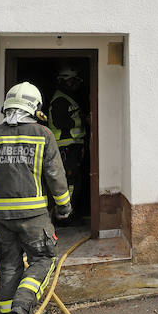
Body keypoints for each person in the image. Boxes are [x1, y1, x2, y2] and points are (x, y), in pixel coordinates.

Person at [0, 82, 72, 314]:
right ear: (35, 107)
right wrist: (64, 206)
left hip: (0, 218)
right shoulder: (43, 134)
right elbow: (55, 174)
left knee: (9, 266)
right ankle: (23, 304)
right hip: (35, 216)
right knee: (43, 259)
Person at [47, 66, 87, 219]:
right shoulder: (59, 100)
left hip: (73, 146)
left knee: (75, 180)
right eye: (72, 81)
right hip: (65, 147)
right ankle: (65, 214)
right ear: (62, 81)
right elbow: (60, 122)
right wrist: (84, 119)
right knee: (68, 181)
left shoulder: (68, 97)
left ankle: (69, 211)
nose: (75, 84)